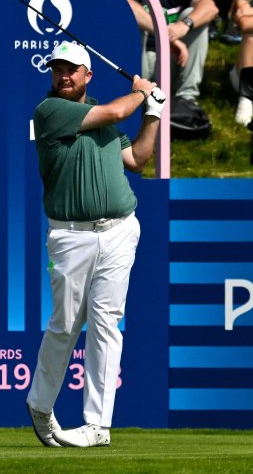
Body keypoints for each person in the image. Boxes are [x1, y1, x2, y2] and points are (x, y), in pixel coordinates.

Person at [25, 41, 163, 449]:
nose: (63, 76)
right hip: (71, 236)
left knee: (106, 323)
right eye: (57, 69)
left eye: (71, 70)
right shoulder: (49, 111)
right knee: (66, 325)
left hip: (120, 230)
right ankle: (40, 405)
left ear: (88, 76)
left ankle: (98, 426)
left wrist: (153, 113)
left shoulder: (103, 119)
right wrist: (142, 89)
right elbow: (121, 109)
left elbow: (137, 159)